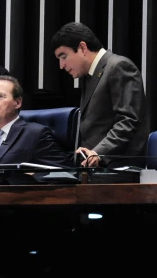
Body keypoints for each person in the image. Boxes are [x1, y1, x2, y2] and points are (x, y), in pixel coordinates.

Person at [51, 22, 148, 168]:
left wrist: (98, 152)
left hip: (118, 169)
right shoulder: (89, 75)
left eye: (63, 56)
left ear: (82, 48)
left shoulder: (119, 66)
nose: (61, 65)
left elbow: (128, 120)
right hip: (95, 168)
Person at [0, 75, 72, 167]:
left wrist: (29, 178)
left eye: (0, 96)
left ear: (17, 102)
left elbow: (64, 173)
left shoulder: (35, 135)